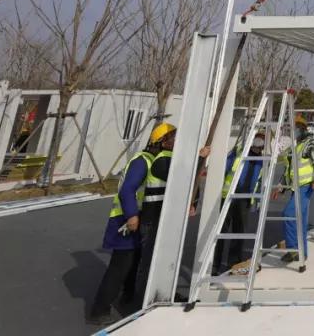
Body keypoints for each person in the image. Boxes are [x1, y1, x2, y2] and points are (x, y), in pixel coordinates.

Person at [89, 122, 208, 325]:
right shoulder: (142, 161)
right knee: (121, 266)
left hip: (140, 218)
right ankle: (99, 311)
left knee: (135, 263)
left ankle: (128, 299)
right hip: (125, 220)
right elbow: (127, 190)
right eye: (172, 138)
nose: (176, 141)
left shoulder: (156, 160)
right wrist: (131, 216)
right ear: (161, 141)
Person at [214, 132, 265, 274]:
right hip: (228, 196)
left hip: (245, 199)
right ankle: (214, 265)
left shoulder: (262, 161)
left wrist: (257, 201)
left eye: (262, 139)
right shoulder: (238, 153)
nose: (259, 141)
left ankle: (234, 263)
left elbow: (260, 182)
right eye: (258, 138)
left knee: (239, 233)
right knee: (221, 232)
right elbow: (223, 169)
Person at [276, 115, 314, 262]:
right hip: (295, 188)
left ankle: (293, 250)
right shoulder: (293, 148)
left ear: (303, 129)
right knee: (300, 221)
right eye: (293, 128)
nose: (294, 131)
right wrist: (280, 187)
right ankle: (302, 253)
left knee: (289, 214)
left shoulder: (310, 144)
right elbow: (288, 171)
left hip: (305, 186)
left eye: (297, 128)